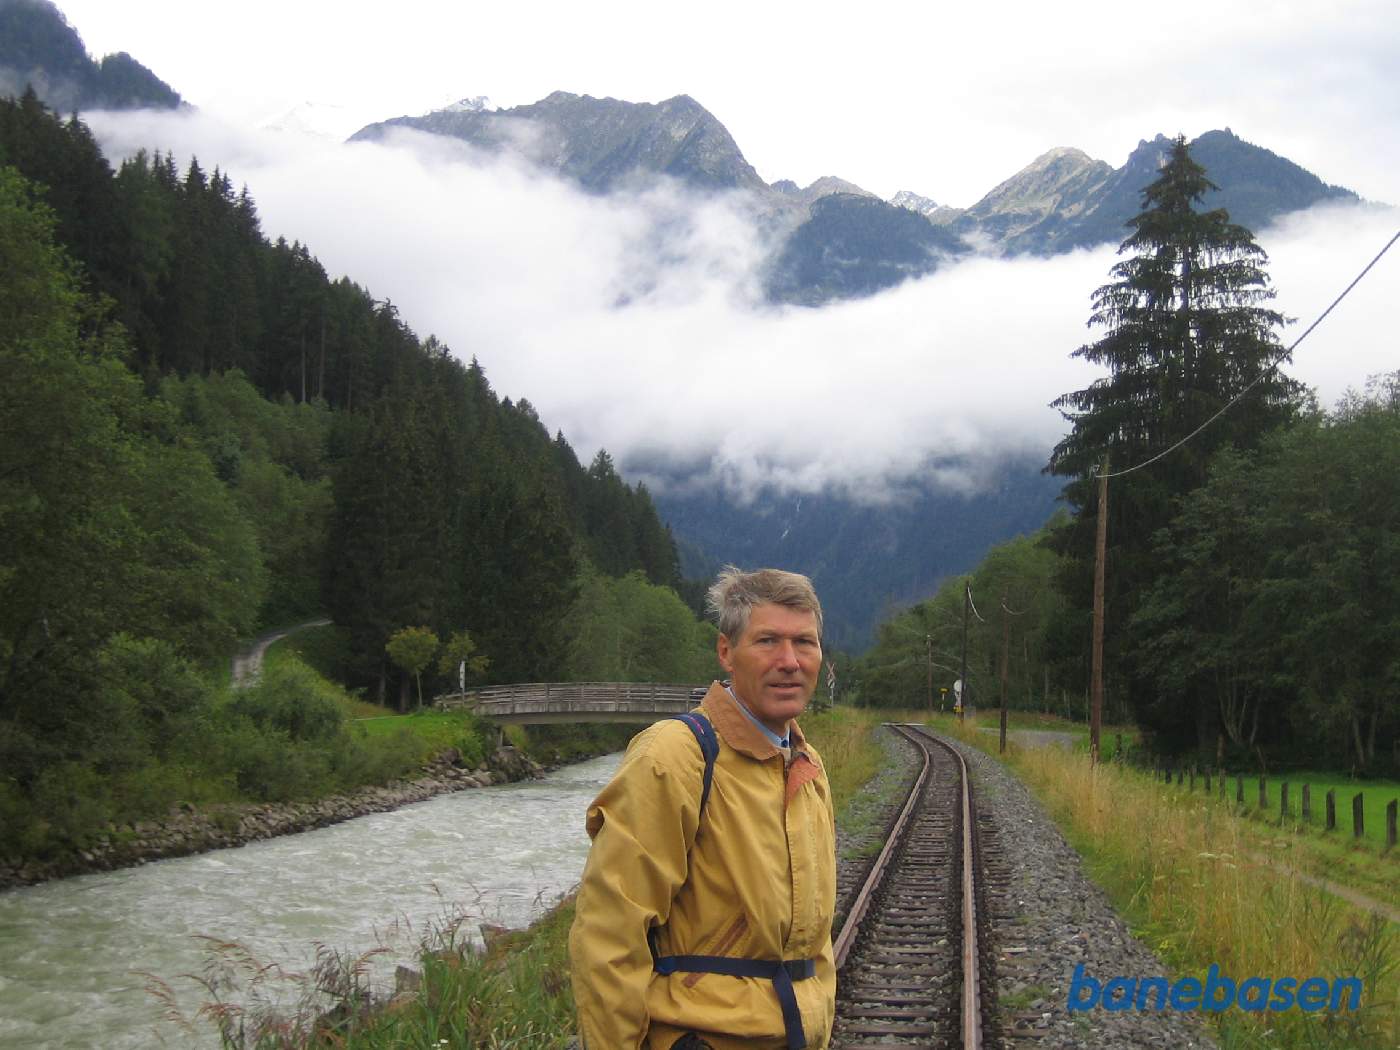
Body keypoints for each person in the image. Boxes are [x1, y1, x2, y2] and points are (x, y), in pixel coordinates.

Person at [569, 567, 837, 1049]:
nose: (789, 661)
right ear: (726, 652)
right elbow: (609, 935)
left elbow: (813, 943)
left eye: (804, 642)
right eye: (767, 641)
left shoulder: (807, 766)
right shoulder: (674, 757)